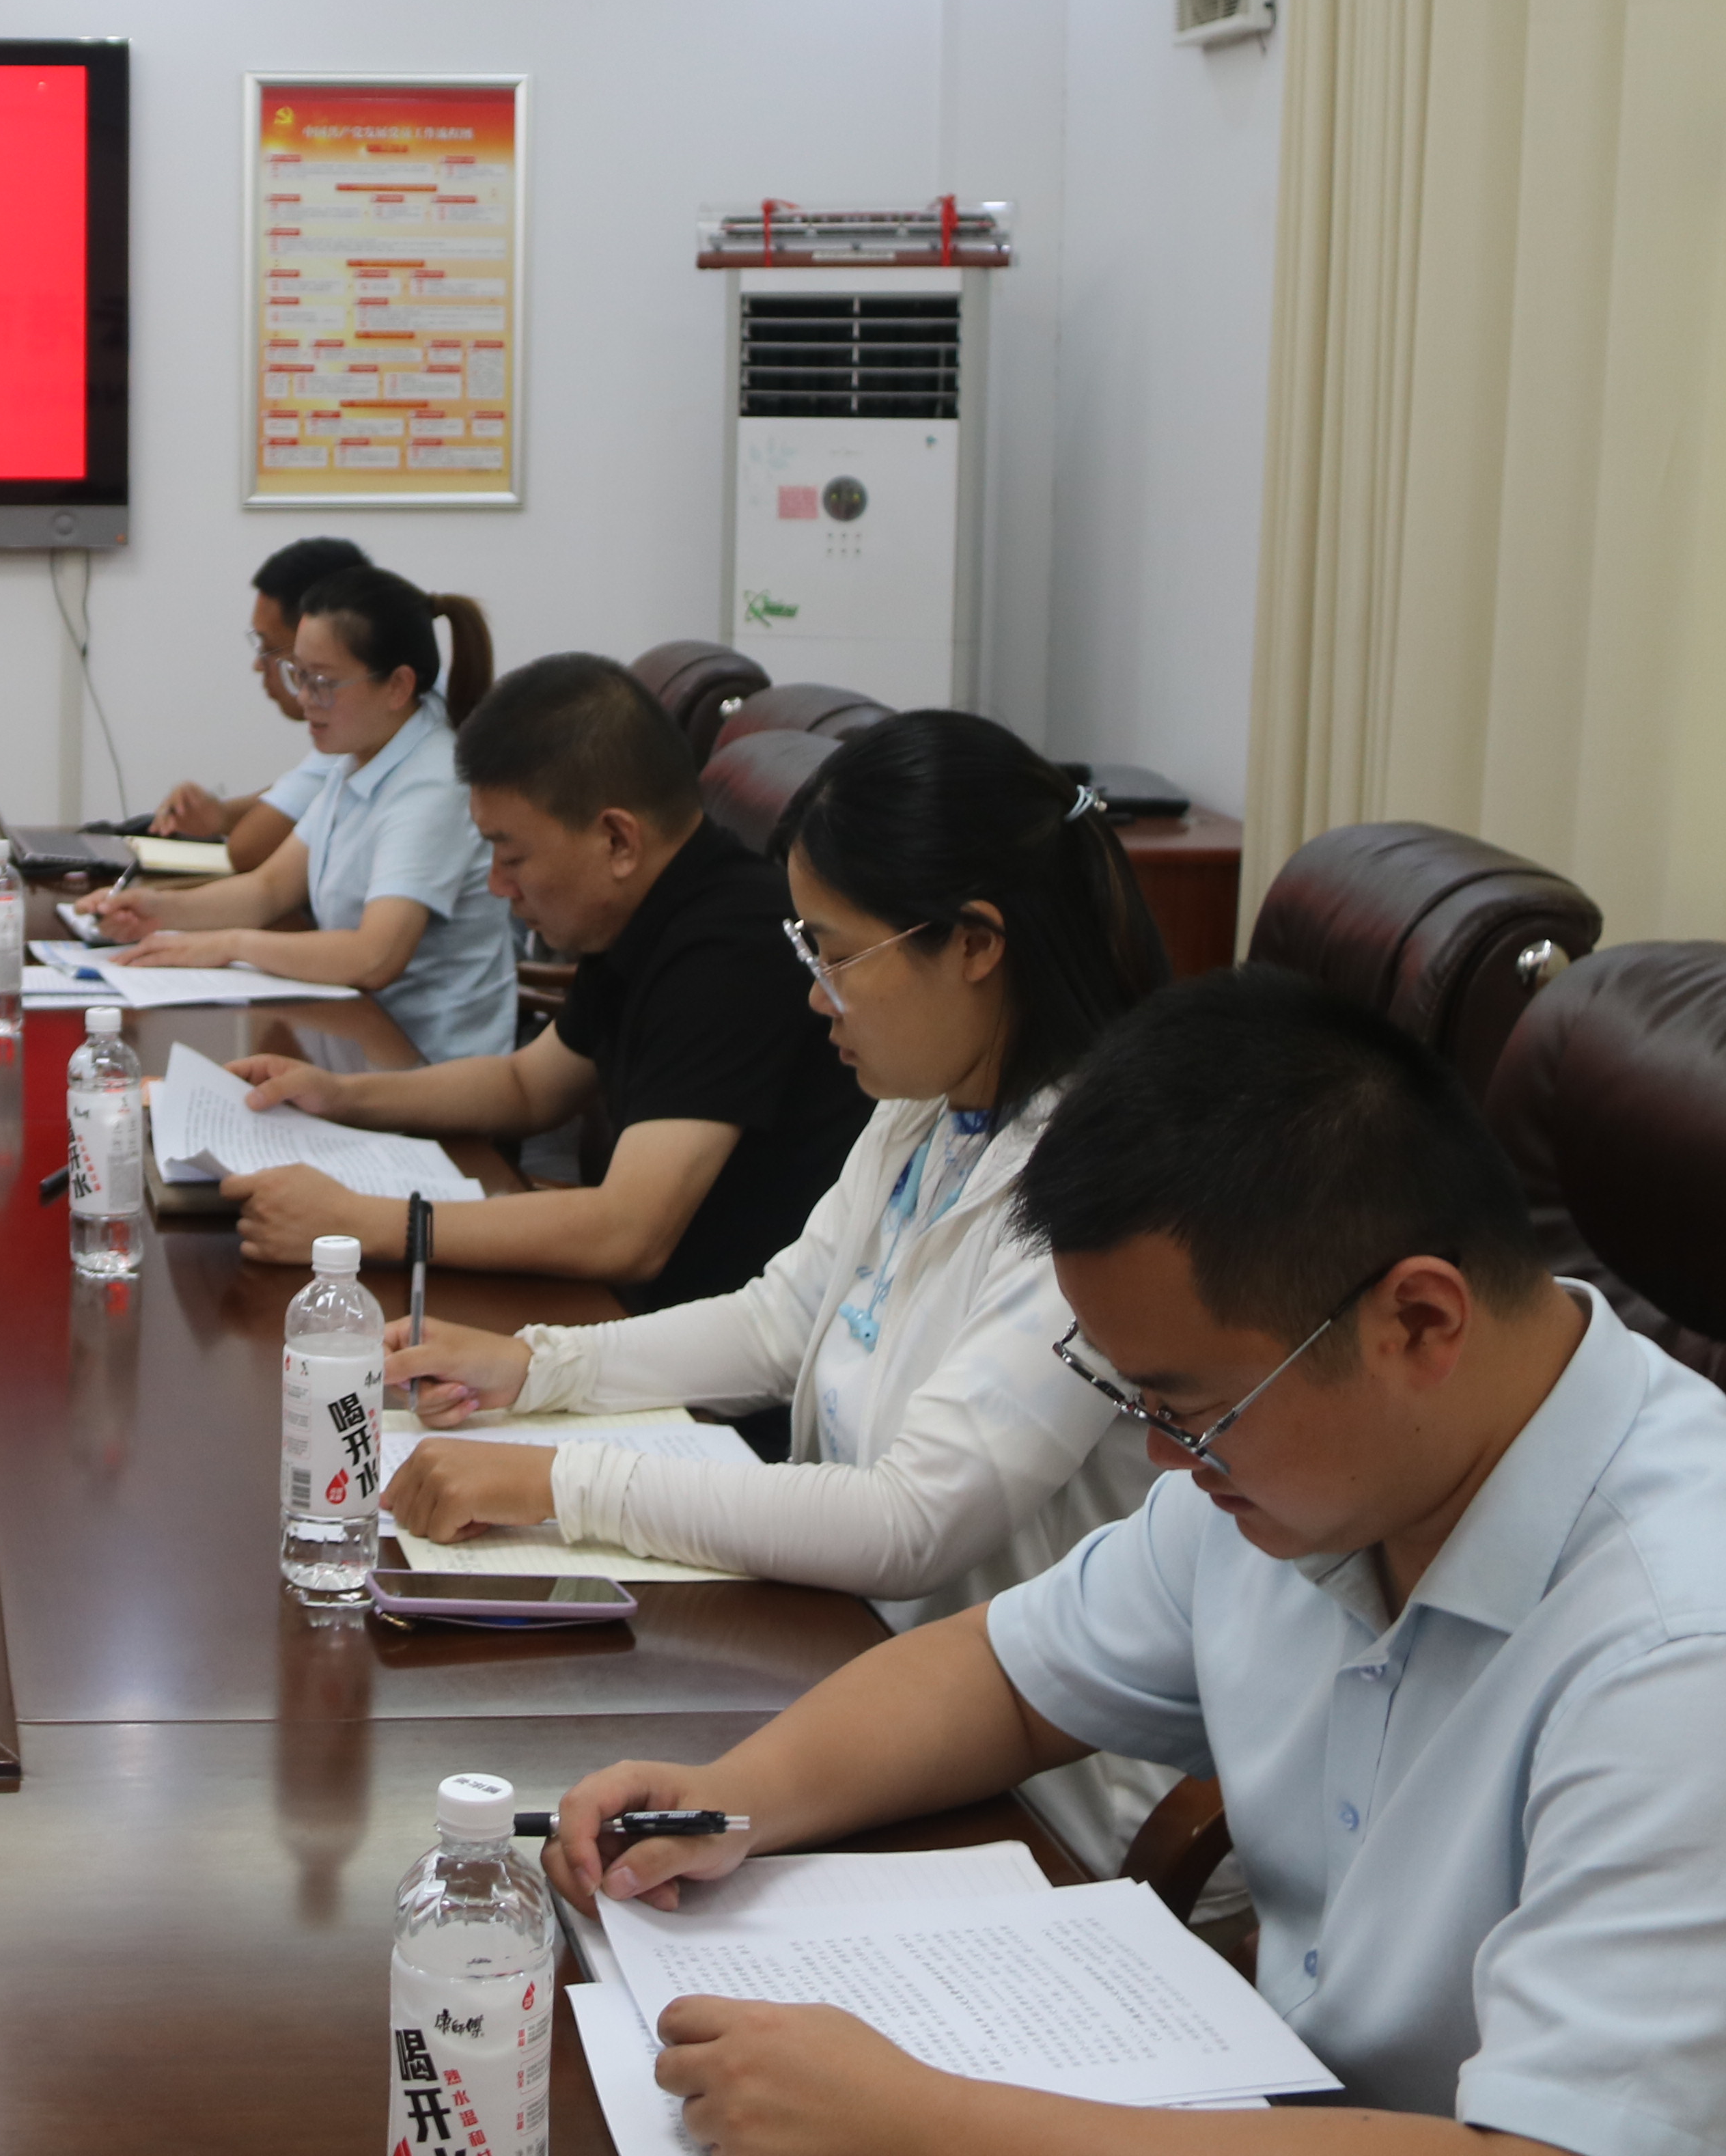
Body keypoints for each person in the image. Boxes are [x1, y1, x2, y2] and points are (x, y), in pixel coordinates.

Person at [550, 971, 1726, 2156]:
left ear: (1419, 1321)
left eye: (1192, 1408)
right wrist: (732, 1801)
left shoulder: (1714, 1659)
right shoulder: (1322, 1468)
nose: (1169, 1460)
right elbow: (1005, 1676)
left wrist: (923, 2123)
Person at [380, 709, 1174, 1867]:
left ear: (975, 943)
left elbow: (911, 1523)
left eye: (835, 955)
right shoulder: (931, 1106)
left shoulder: (1107, 1188)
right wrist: (541, 1365)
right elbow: (781, 1319)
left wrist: (557, 1481)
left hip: (1032, 1800)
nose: (815, 997)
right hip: (854, 1675)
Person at [218, 652, 867, 1312]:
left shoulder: (733, 948)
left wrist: (363, 1223)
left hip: (713, 1344)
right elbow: (526, 1086)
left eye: (512, 855)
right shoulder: (647, 905)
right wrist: (339, 1095)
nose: (498, 886)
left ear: (617, 841)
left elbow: (629, 1232)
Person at [89, 565, 514, 1062]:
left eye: (324, 683)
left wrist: (231, 945)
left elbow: (375, 957)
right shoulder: (361, 755)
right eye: (300, 676)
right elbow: (269, 889)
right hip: (355, 1038)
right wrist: (157, 911)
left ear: (398, 686)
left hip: (431, 1066)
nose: (306, 700)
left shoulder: (433, 785)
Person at [148, 536, 367, 871]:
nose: (258, 665)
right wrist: (220, 815)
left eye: (268, 648)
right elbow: (301, 790)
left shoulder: (363, 724)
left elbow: (248, 849)